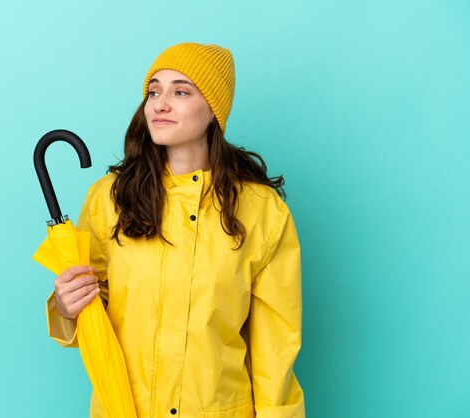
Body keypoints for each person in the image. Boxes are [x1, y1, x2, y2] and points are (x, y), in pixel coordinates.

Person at [46, 42, 305, 417]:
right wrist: (66, 308)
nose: (160, 103)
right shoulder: (109, 199)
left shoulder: (261, 211)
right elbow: (91, 312)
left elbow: (275, 348)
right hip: (123, 408)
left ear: (214, 109)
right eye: (154, 91)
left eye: (181, 91)